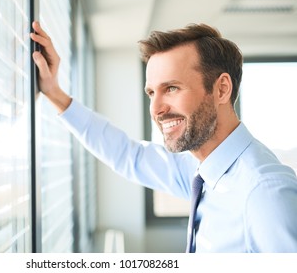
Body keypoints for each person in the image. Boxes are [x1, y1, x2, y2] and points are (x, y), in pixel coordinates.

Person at [30, 21, 297, 253]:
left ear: (221, 90)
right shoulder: (202, 170)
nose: (156, 110)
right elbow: (128, 155)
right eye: (151, 93)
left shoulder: (264, 193)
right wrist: (54, 93)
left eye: (171, 88)